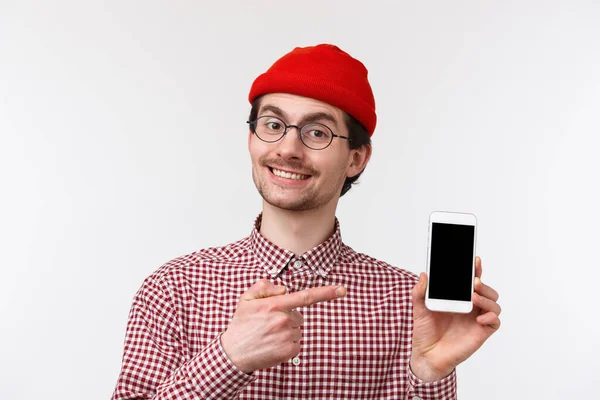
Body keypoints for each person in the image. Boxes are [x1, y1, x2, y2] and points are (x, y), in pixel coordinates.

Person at [111, 44, 501, 400]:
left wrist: (431, 374)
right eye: (273, 124)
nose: (287, 149)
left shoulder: (408, 305)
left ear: (356, 159)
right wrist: (227, 360)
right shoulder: (173, 289)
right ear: (251, 138)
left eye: (316, 132)